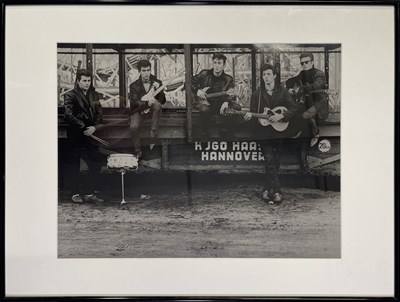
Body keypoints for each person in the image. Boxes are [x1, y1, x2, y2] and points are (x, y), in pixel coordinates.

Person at [244, 64, 299, 204]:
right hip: (263, 133)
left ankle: (267, 190)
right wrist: (249, 117)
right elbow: (252, 113)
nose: (266, 77)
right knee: (269, 160)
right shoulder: (257, 94)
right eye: (264, 74)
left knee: (275, 161)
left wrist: (281, 117)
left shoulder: (283, 92)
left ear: (274, 75)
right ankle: (278, 192)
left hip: (280, 131)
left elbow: (294, 108)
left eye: (269, 74)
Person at [64, 69, 105, 203]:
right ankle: (74, 193)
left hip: (91, 133)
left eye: (89, 81)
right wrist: (83, 127)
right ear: (78, 81)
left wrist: (93, 127)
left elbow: (100, 113)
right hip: (76, 134)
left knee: (96, 162)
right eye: (84, 81)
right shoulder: (70, 95)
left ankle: (89, 193)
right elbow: (69, 115)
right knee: (73, 164)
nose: (87, 83)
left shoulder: (94, 95)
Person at [191, 53, 241, 138]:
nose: (216, 66)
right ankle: (204, 133)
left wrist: (227, 101)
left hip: (220, 105)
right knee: (204, 109)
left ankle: (225, 130)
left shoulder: (228, 79)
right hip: (205, 104)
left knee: (237, 107)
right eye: (215, 62)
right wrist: (197, 91)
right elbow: (189, 82)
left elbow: (231, 94)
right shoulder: (204, 74)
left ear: (224, 65)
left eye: (219, 63)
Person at [286, 52, 329, 147]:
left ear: (312, 62)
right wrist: (290, 88)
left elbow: (316, 86)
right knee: (293, 111)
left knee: (305, 115)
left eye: (306, 62)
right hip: (307, 102)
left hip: (319, 103)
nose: (304, 65)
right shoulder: (302, 73)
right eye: (302, 63)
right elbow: (290, 81)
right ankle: (300, 131)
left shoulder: (319, 74)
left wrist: (301, 88)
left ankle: (315, 134)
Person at [128, 60, 166, 157]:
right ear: (139, 71)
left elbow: (162, 101)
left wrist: (160, 90)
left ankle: (152, 135)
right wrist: (146, 103)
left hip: (152, 112)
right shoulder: (133, 86)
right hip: (139, 111)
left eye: (148, 70)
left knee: (157, 105)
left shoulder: (157, 82)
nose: (146, 73)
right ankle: (137, 151)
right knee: (133, 127)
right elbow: (134, 103)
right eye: (144, 71)